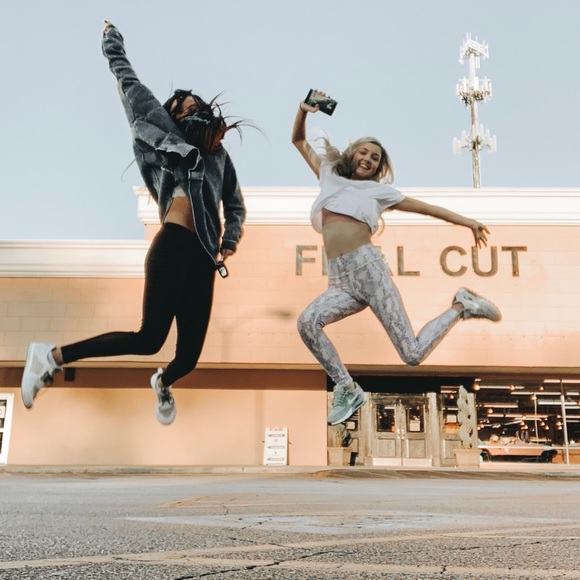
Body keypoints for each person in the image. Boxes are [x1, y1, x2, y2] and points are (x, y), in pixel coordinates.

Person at [20, 21, 247, 425]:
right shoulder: (162, 129)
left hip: (203, 259)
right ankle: (50, 356)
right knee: (149, 338)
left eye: (195, 105)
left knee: (188, 358)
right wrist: (112, 41)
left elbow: (234, 203)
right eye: (182, 106)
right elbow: (129, 81)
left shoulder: (218, 156)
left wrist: (230, 238)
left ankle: (163, 382)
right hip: (172, 243)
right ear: (171, 114)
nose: (190, 109)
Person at [292, 95, 502, 426]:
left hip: (369, 271)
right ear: (353, 153)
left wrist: (468, 222)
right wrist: (303, 111)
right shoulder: (329, 173)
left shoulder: (380, 193)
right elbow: (298, 140)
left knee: (412, 354)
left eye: (375, 158)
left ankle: (462, 306)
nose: (368, 159)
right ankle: (347, 388)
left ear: (379, 168)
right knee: (307, 323)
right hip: (340, 281)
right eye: (364, 152)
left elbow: (428, 209)